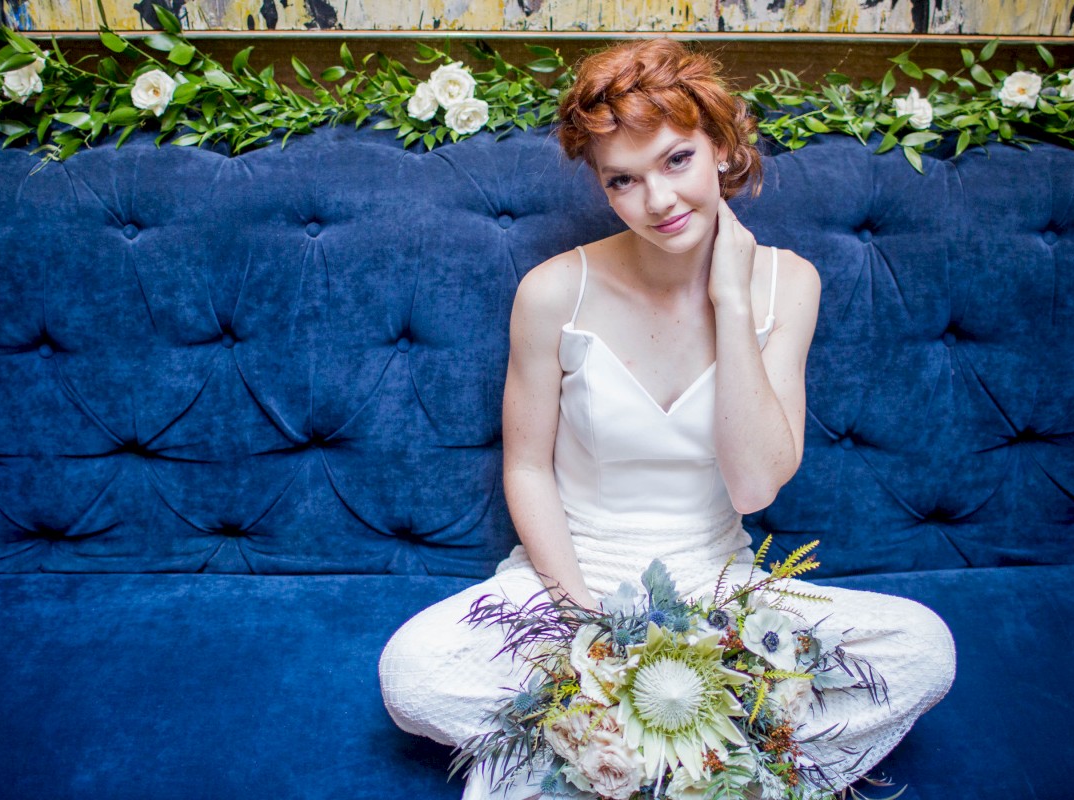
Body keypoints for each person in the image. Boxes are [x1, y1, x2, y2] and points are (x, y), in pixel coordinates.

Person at [379, 38, 956, 799]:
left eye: (677, 160)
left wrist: (731, 300)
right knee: (411, 675)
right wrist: (585, 625)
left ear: (720, 146)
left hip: (724, 591)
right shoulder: (554, 291)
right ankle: (691, 759)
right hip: (572, 580)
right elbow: (525, 468)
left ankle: (621, 756)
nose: (658, 202)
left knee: (925, 650)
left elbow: (754, 488)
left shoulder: (791, 284)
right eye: (624, 179)